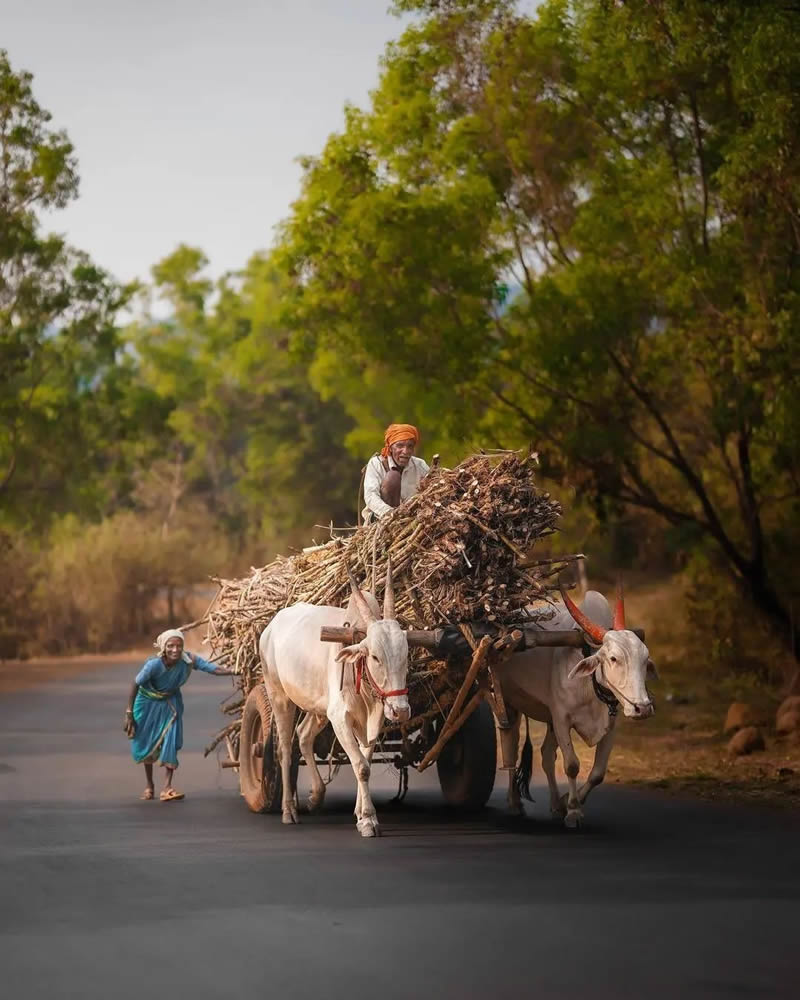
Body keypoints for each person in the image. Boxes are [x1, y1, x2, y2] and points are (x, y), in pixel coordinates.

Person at [123, 628, 233, 802]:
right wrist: (129, 713)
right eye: (170, 646)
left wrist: (234, 671)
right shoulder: (153, 665)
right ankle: (149, 785)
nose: (175, 650)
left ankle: (167, 787)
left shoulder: (188, 660)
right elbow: (136, 684)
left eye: (179, 646)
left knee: (171, 740)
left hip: (170, 704)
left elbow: (213, 669)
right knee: (147, 742)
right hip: (146, 703)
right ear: (163, 647)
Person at [362, 422, 430, 521]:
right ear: (390, 447)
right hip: (382, 520)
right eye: (400, 446)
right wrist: (390, 513)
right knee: (393, 477)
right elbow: (370, 496)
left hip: (412, 521)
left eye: (410, 446)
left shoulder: (420, 465)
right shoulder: (376, 464)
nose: (405, 451)